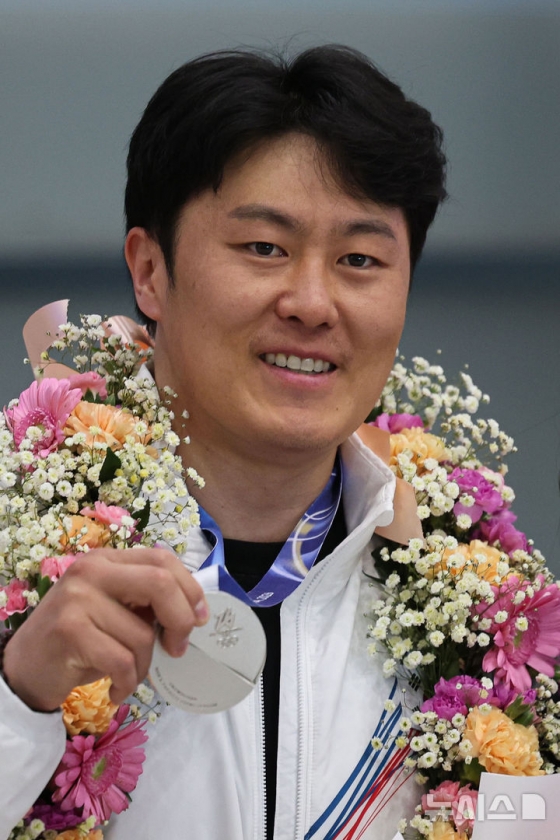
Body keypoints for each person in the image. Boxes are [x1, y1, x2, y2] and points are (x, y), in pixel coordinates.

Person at [0, 45, 446, 839]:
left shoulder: (470, 598)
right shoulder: (13, 530)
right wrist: (18, 697)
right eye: (264, 248)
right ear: (150, 271)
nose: (312, 303)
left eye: (360, 259)